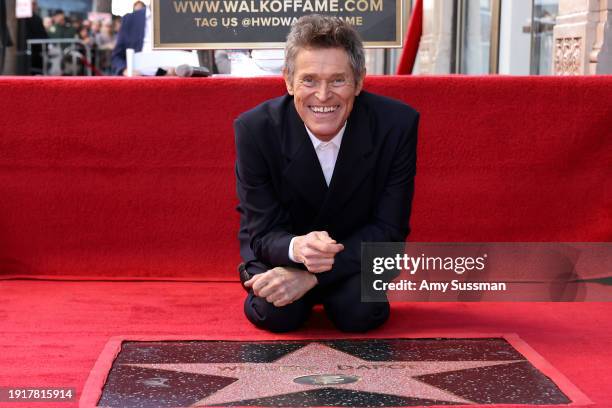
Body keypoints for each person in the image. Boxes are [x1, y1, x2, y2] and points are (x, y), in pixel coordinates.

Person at [234, 14, 419, 333]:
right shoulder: (254, 129)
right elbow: (261, 231)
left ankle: (318, 288)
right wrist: (297, 248)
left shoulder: (397, 125)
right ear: (288, 81)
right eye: (309, 80)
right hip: (282, 251)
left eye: (337, 80)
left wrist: (312, 276)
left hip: (357, 258)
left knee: (360, 312)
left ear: (359, 81)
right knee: (276, 313)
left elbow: (389, 233)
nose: (322, 96)